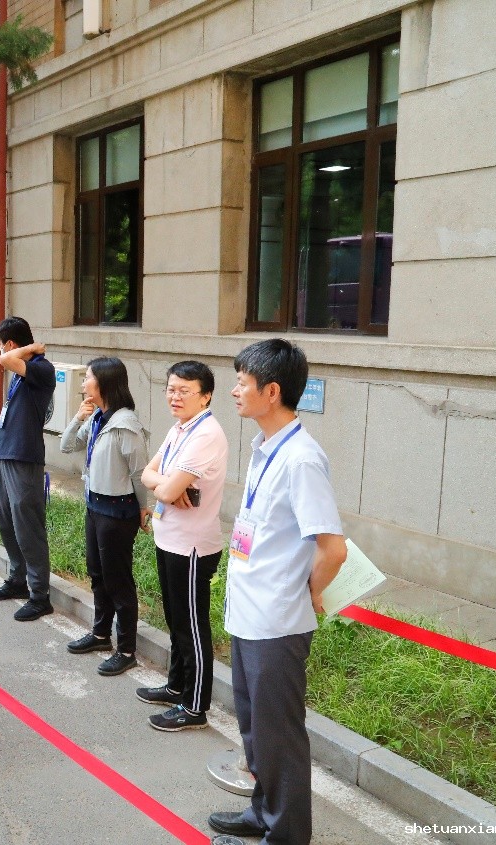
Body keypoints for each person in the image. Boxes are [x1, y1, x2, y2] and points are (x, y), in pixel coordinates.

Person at [208, 339, 347, 845]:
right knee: (255, 730)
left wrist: (308, 592)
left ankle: (285, 836)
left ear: (271, 391)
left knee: (279, 737)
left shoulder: (301, 460)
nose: (234, 391)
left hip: (277, 622)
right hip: (250, 614)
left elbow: (333, 549)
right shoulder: (266, 447)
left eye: (242, 382)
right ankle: (263, 811)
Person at [137, 360, 230, 731]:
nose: (174, 397)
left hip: (192, 546)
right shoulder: (179, 428)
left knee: (192, 626)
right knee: (175, 620)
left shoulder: (206, 434)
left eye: (184, 391)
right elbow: (147, 473)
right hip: (169, 537)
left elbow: (163, 487)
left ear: (205, 396)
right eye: (171, 389)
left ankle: (195, 707)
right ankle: (176, 686)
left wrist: (166, 487)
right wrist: (168, 485)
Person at [59, 358, 151, 676]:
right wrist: (78, 417)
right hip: (94, 506)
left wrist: (144, 508)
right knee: (97, 573)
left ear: (104, 384)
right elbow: (67, 445)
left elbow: (139, 473)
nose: (84, 383)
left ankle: (126, 649)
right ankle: (101, 635)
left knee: (118, 580)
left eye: (88, 378)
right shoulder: (98, 417)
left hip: (118, 511)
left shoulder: (126, 425)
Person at [0, 316, 57, 621]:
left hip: (24, 457)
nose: (1, 351)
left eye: (2, 344)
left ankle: (40, 595)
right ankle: (18, 579)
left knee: (28, 528)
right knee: (7, 523)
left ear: (12, 344)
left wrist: (33, 348)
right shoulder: (22, 369)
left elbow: (5, 359)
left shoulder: (41, 367)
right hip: (5, 454)